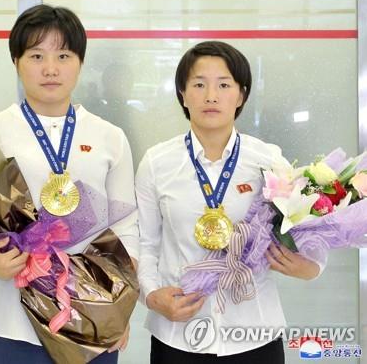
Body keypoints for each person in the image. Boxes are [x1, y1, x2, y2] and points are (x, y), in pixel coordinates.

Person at [0, 4, 139, 364]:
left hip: (92, 315)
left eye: (63, 55)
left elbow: (127, 227)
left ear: (80, 62)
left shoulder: (109, 137)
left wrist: (119, 306)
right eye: (36, 55)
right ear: (16, 61)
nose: (51, 68)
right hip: (11, 317)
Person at [136, 41, 325, 363]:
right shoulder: (157, 162)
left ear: (241, 95)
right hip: (178, 334)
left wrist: (313, 267)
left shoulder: (267, 160)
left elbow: (305, 226)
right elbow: (146, 243)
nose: (211, 95)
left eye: (224, 85)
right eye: (199, 84)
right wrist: (152, 296)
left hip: (255, 333)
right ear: (182, 94)